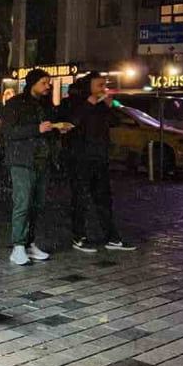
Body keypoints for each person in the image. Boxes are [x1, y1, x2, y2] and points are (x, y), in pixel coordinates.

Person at [3, 69, 72, 266]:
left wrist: (59, 129)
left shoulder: (45, 104)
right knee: (23, 203)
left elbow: (47, 129)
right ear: (32, 83)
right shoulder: (15, 104)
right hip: (22, 161)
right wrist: (37, 129)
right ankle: (18, 246)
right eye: (44, 83)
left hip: (42, 161)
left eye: (48, 83)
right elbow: (9, 132)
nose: (47, 86)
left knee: (38, 204)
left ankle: (30, 243)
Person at [66, 73, 133, 253]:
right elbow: (72, 122)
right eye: (99, 85)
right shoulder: (77, 102)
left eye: (104, 85)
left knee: (104, 199)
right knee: (81, 199)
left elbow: (114, 122)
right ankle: (78, 236)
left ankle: (112, 237)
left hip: (100, 158)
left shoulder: (102, 106)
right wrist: (89, 103)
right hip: (81, 159)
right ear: (89, 87)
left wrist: (110, 106)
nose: (102, 89)